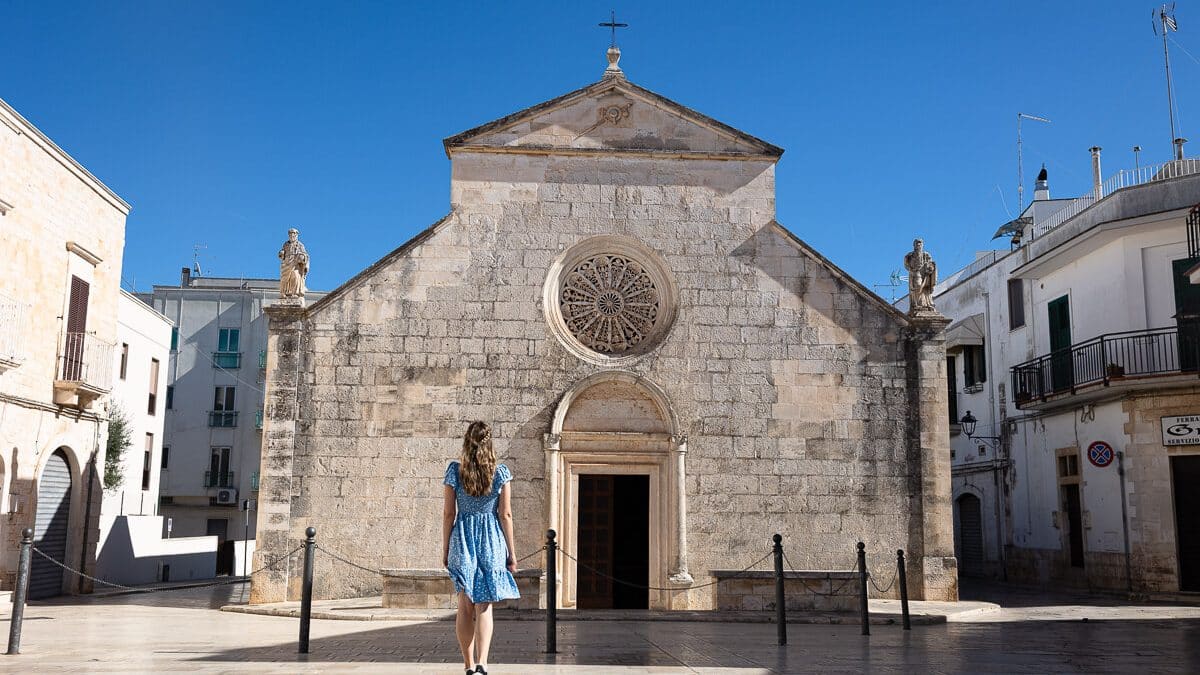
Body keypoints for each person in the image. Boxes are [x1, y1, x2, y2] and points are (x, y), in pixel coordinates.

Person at [443, 421, 519, 675]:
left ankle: (467, 664)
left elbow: (448, 514)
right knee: (484, 604)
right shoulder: (500, 473)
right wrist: (511, 553)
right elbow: (505, 514)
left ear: (467, 442)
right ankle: (482, 663)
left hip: (462, 538)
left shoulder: (454, 472)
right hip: (491, 539)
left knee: (464, 604)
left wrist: (445, 548)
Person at [278, 228, 309, 298]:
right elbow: (281, 253)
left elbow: (305, 255)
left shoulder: (300, 245)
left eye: (293, 234)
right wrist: (281, 253)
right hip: (286, 263)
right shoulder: (286, 244)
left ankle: (294, 292)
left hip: (295, 263)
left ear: (296, 235)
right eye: (290, 234)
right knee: (284, 278)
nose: (292, 236)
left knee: (295, 275)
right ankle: (283, 292)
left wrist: (302, 257)